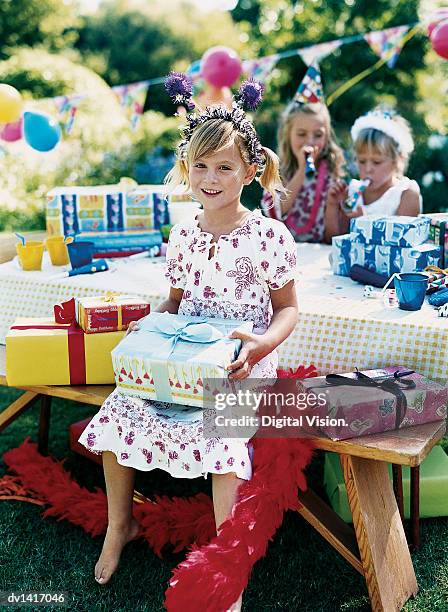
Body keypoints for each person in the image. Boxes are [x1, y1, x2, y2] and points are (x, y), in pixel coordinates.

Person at [78, 75, 299, 610]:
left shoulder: (268, 235)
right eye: (200, 166)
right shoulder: (182, 234)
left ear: (250, 172)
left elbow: (289, 309)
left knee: (224, 445)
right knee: (117, 416)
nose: (211, 177)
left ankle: (226, 567)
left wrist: (261, 345)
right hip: (179, 359)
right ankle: (120, 525)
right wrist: (150, 326)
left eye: (225, 167)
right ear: (186, 169)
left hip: (240, 362)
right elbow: (173, 300)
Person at [260, 100, 346, 243]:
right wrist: (301, 170)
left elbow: (334, 237)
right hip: (283, 253)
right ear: (288, 134)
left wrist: (333, 204)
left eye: (318, 135)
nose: (310, 141)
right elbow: (274, 211)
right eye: (301, 134)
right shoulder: (277, 172)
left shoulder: (331, 175)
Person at [339, 109, 422, 225]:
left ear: (397, 160)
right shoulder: (352, 192)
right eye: (362, 161)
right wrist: (332, 205)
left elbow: (401, 241)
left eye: (377, 162)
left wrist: (363, 223)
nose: (368, 169)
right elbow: (332, 239)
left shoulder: (406, 194)